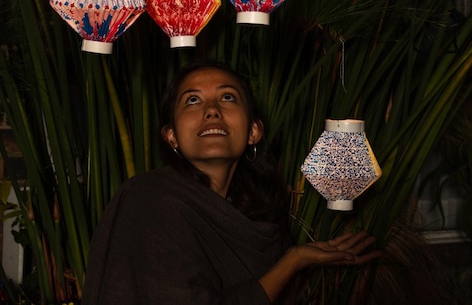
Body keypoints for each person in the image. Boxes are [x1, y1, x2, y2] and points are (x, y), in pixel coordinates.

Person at [81, 60, 381, 304]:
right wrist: (291, 263)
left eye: (227, 97)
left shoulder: (256, 217)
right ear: (171, 136)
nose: (212, 110)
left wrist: (297, 259)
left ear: (253, 132)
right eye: (193, 100)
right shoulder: (150, 200)